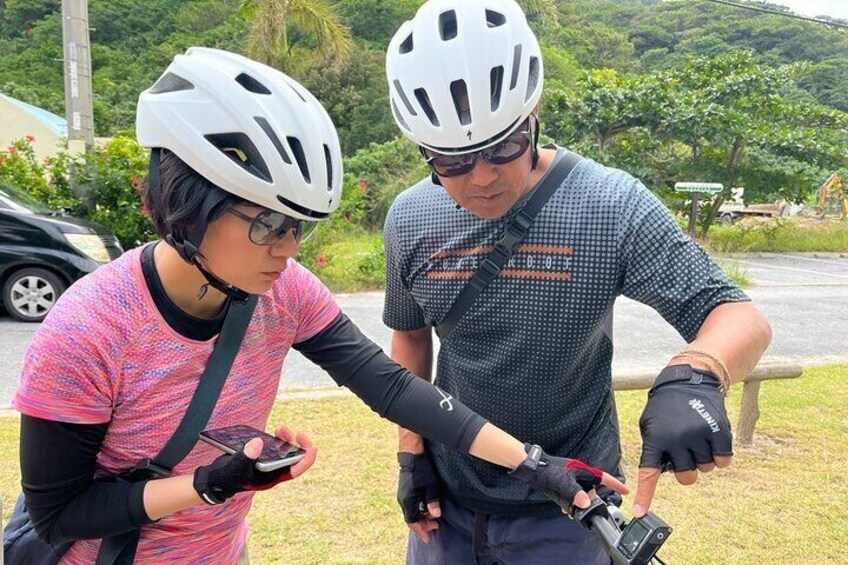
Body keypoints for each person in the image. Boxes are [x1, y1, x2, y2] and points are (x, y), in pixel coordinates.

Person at [10, 47, 627, 565]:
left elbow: (389, 385)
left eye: (299, 228)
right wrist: (205, 485)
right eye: (269, 224)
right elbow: (61, 514)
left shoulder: (284, 289)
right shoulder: (88, 330)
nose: (286, 249)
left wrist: (535, 466)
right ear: (186, 201)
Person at [382, 1, 773, 563]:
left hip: (571, 503)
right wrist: (411, 456)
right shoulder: (411, 217)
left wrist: (695, 376)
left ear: (532, 113)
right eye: (453, 161)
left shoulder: (608, 203)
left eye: (503, 146)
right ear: (424, 152)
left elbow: (736, 314)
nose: (484, 176)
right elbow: (412, 338)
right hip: (449, 496)